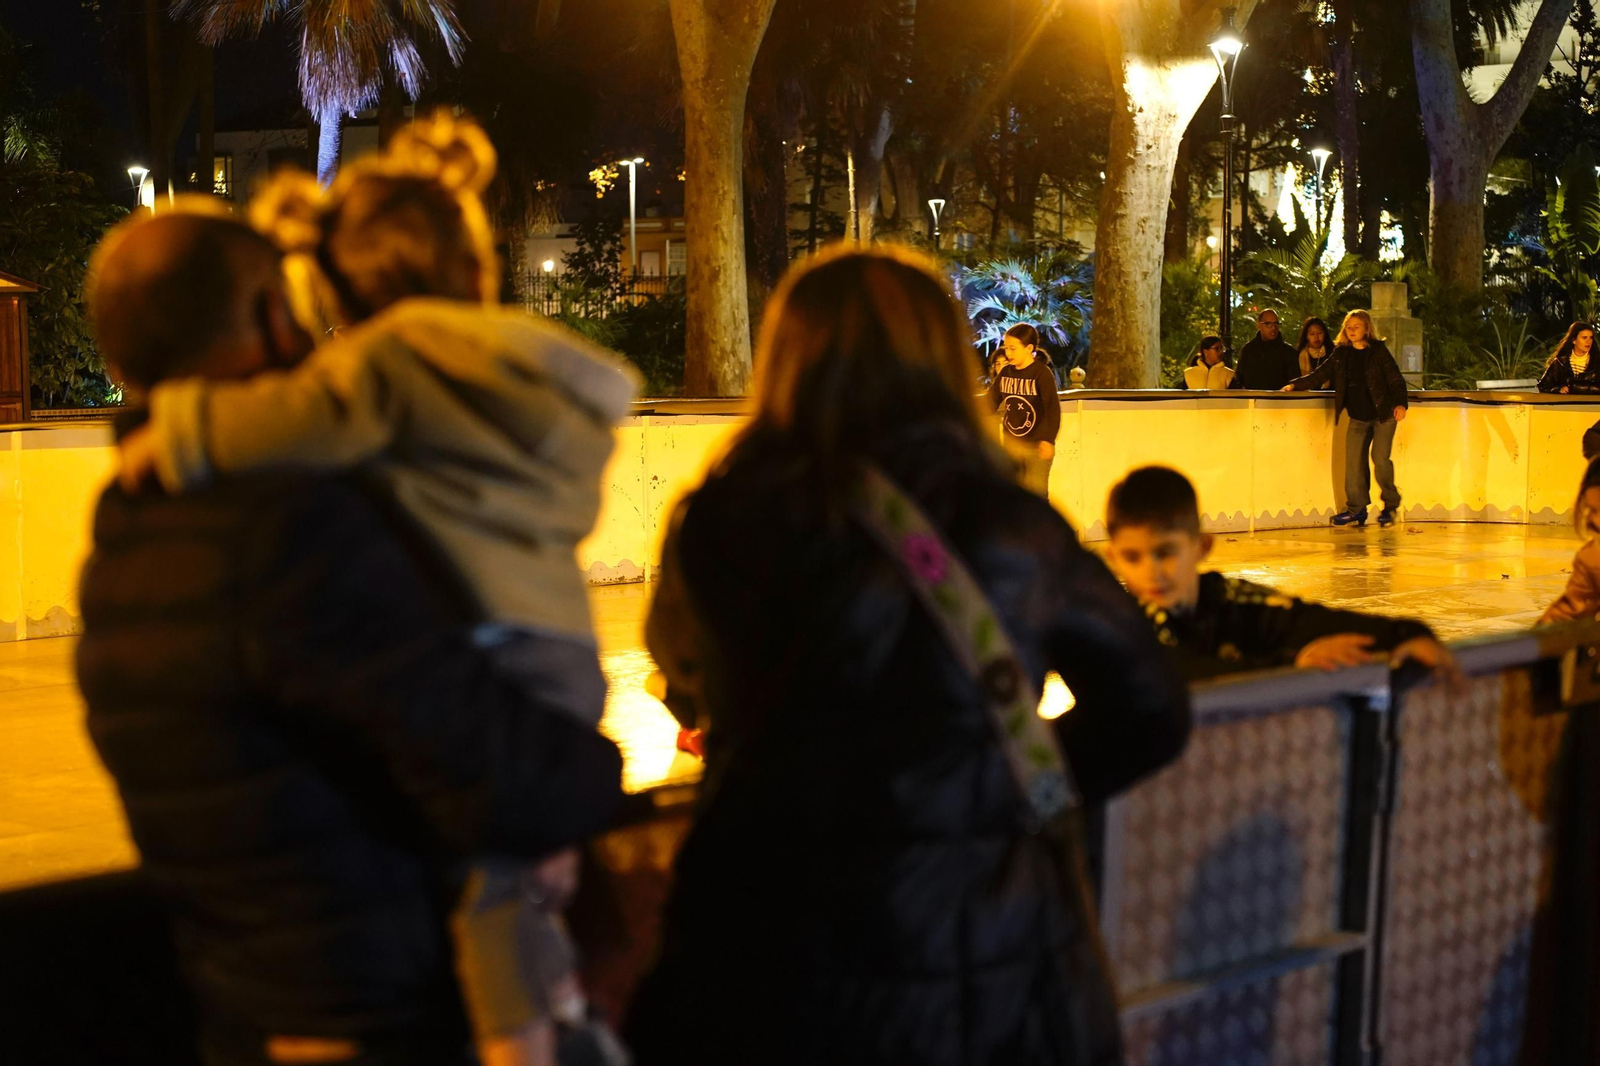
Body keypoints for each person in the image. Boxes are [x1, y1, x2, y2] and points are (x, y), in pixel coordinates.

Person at [116, 116, 637, 1066]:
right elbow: (493, 763)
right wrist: (582, 789)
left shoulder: (142, 544)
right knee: (518, 876)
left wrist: (181, 429)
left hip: (271, 985)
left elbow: (299, 420)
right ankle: (549, 1021)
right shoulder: (511, 389)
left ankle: (526, 1032)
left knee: (499, 883)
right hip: (556, 649)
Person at [624, 245, 1192, 1065]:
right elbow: (1150, 708)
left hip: (767, 945)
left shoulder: (722, 519)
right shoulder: (1010, 524)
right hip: (981, 958)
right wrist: (992, 786)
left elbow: (681, 679)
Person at [1103, 466, 1452, 680]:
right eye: (1132, 557)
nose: (1151, 572)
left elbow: (1308, 620)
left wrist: (1406, 634)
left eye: (1165, 553)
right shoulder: (1113, 625)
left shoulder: (1235, 601)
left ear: (1201, 547)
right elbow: (1179, 674)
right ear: (1113, 559)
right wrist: (1291, 667)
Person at [1283, 309, 1410, 528]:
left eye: (1356, 327)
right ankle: (1356, 509)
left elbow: (1395, 379)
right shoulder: (1342, 353)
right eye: (1348, 327)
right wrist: (1295, 384)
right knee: (1353, 464)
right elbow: (1320, 375)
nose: (1351, 331)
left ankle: (1391, 504)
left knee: (1380, 459)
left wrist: (1400, 403)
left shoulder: (1378, 351)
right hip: (1358, 416)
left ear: (1366, 328)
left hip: (1383, 414)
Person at [986, 322, 1061, 497]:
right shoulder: (1005, 373)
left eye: (1013, 348)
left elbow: (1053, 409)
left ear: (1029, 348)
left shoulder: (1041, 374)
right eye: (1006, 348)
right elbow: (990, 403)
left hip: (1037, 446)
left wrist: (1048, 440)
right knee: (1013, 496)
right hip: (1012, 446)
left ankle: (1042, 525)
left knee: (1037, 496)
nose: (1008, 353)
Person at [1540, 456, 1600, 624]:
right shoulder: (1592, 558)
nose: (1595, 521)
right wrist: (1533, 644)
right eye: (1592, 510)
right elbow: (1569, 611)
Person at [1232, 308, 1299, 390]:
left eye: (1276, 324)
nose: (1273, 328)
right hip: (1252, 400)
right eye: (1268, 324)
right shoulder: (1248, 350)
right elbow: (1238, 379)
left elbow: (1295, 383)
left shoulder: (1289, 353)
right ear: (1259, 325)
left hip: (1280, 400)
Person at [1538, 322, 1600, 395]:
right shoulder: (1560, 362)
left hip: (1592, 405)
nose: (1588, 341)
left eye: (1591, 338)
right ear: (1574, 340)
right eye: (1584, 338)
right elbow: (1543, 386)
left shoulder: (1597, 361)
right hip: (1566, 405)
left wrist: (1578, 388)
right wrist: (1558, 389)